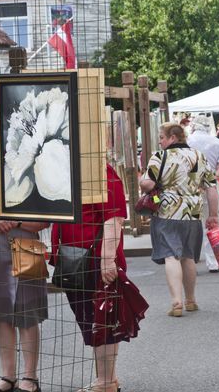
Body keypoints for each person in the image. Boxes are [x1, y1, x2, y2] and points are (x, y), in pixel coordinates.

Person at [51, 164, 134, 392]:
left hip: (93, 259)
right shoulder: (70, 170)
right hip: (75, 260)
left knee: (101, 320)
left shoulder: (101, 171)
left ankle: (105, 381)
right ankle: (108, 379)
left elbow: (114, 218)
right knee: (92, 319)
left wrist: (107, 259)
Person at [0, 143, 49, 392]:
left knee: (27, 316)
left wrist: (14, 220)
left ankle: (29, 377)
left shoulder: (35, 172)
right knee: (2, 317)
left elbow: (45, 220)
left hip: (25, 250)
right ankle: (8, 376)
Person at [140, 122, 218, 316]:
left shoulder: (160, 157)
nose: (160, 142)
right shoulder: (198, 156)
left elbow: (147, 184)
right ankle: (190, 300)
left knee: (171, 256)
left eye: (162, 138)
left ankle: (176, 302)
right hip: (193, 213)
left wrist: (145, 182)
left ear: (172, 138)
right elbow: (211, 188)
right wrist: (213, 215)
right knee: (188, 256)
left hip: (167, 212)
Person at [187, 115, 219, 273]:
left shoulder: (187, 141)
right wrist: (213, 178)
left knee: (190, 224)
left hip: (189, 188)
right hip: (210, 187)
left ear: (193, 126)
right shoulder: (217, 143)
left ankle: (190, 261)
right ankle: (213, 262)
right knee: (210, 222)